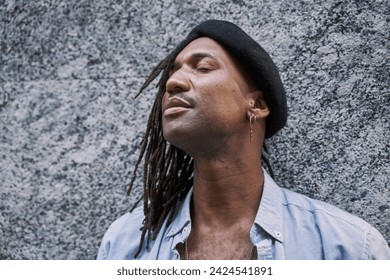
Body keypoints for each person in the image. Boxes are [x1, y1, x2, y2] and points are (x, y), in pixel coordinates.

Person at [97, 20, 390, 260]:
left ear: (257, 104)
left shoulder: (347, 248)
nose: (173, 83)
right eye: (173, 73)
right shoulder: (125, 243)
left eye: (203, 67)